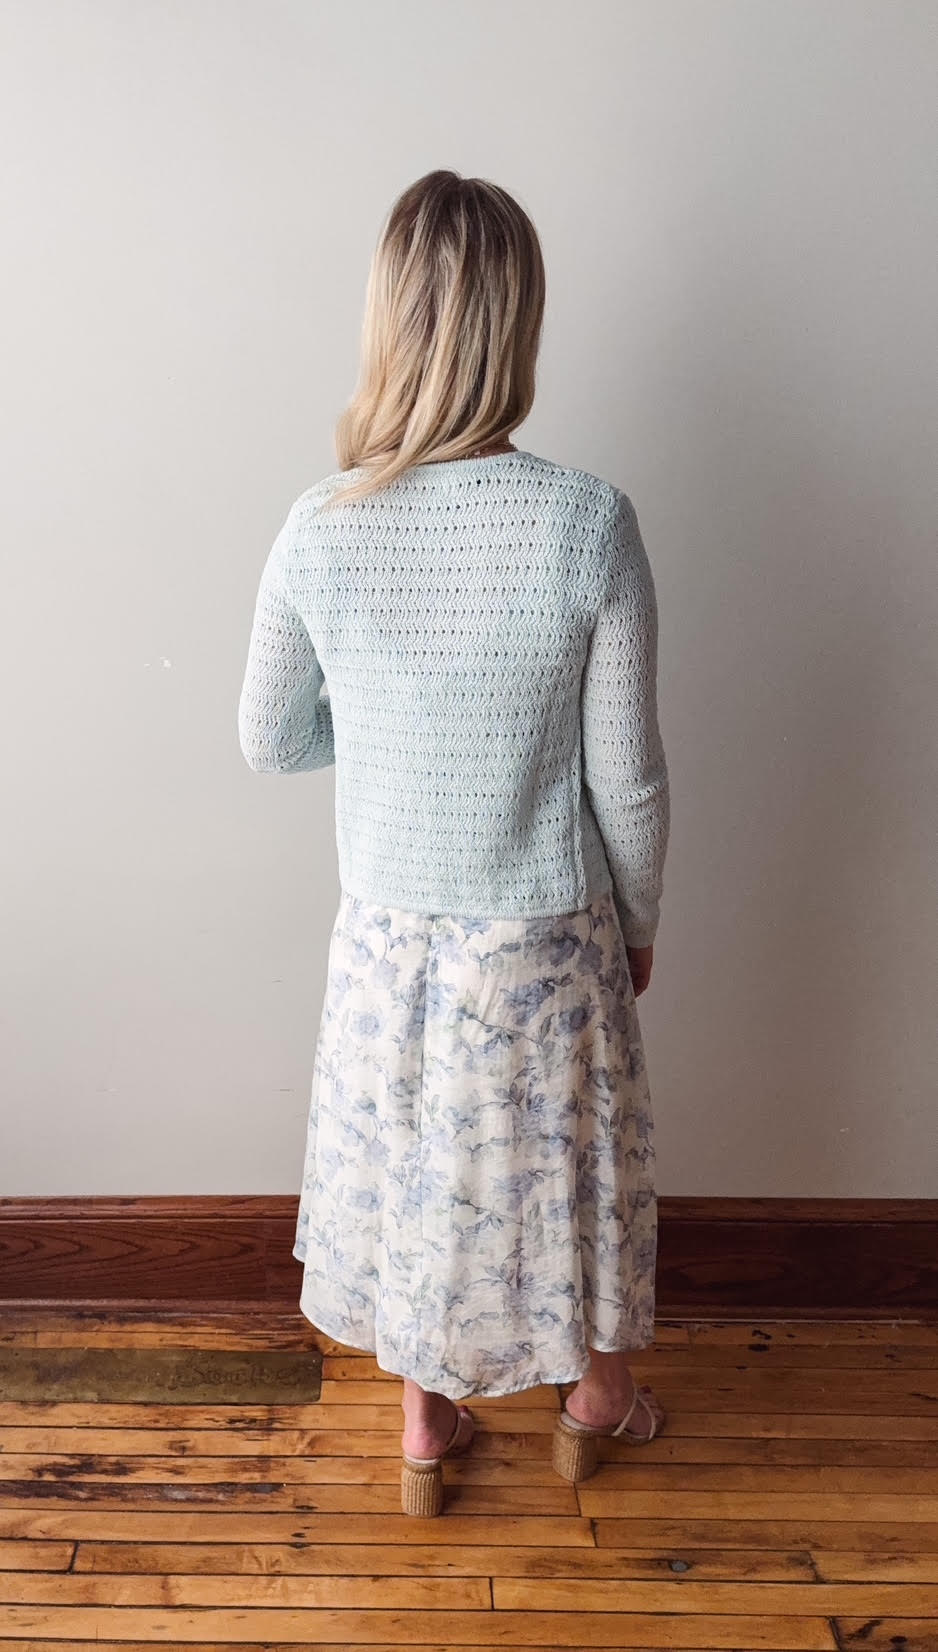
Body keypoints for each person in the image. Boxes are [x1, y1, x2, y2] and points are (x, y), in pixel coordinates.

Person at [237, 168, 671, 1516]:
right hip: (543, 932)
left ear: (391, 323)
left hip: (387, 932)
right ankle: (593, 1403)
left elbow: (268, 736)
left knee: (413, 1161)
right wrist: (641, 925)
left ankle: (425, 1424)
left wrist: (378, 740)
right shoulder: (585, 522)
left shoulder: (323, 525)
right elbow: (629, 781)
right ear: (516, 326)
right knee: (575, 1157)